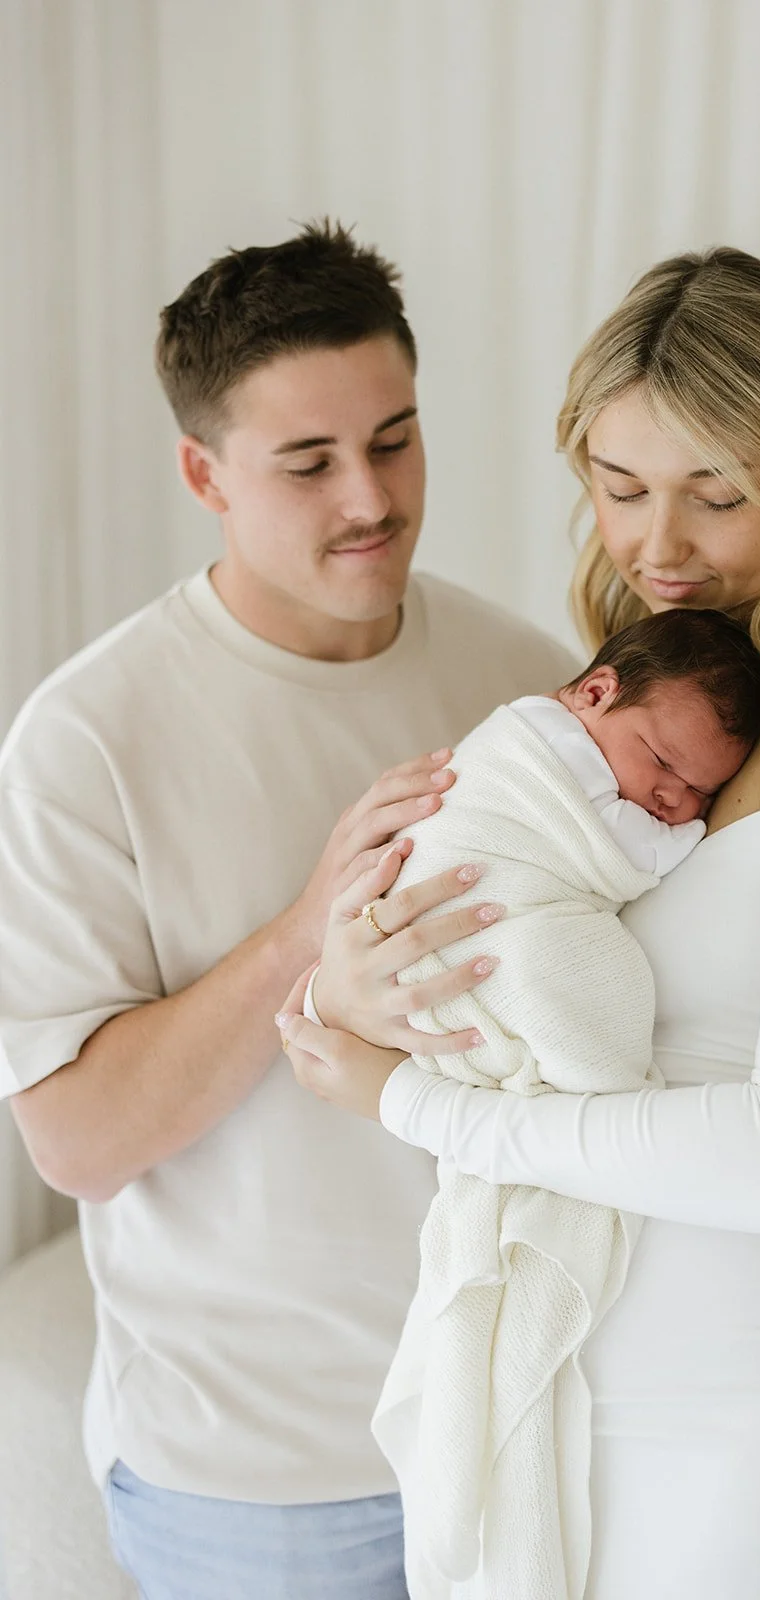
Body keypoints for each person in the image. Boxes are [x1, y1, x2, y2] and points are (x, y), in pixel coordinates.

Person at [278, 246, 760, 1600]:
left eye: (716, 494)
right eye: (619, 491)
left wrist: (412, 1106)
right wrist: (367, 978)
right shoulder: (638, 719)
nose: (658, 545)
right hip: (585, 1402)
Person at [0, 221, 579, 1600]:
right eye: (308, 463)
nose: (369, 498)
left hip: (521, 1432)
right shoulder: (87, 737)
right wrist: (306, 934)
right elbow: (74, 1140)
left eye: (394, 439)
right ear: (203, 472)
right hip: (260, 1491)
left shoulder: (529, 683)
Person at [300, 606, 760, 1598]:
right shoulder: (539, 755)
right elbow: (605, 862)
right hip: (476, 915)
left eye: (698, 793)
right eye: (658, 763)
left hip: (458, 981)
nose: (670, 801)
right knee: (571, 973)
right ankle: (567, 1078)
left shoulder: (595, 747)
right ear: (593, 695)